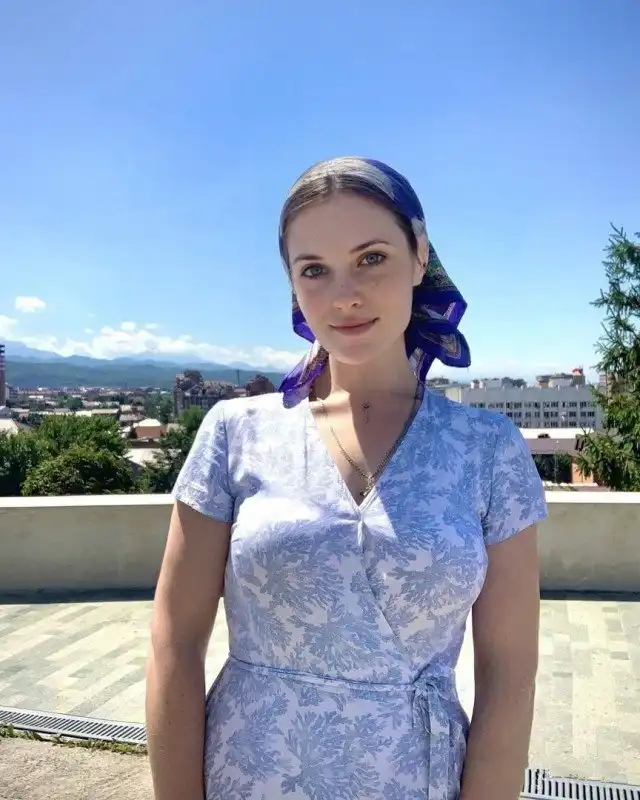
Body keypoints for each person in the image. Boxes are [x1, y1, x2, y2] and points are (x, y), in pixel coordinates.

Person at [146, 156, 548, 800]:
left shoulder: (488, 450)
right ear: (293, 283)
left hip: (417, 781)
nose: (345, 296)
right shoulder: (234, 433)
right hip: (247, 776)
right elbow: (175, 642)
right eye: (314, 270)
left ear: (420, 256)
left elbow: (509, 676)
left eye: (371, 258)